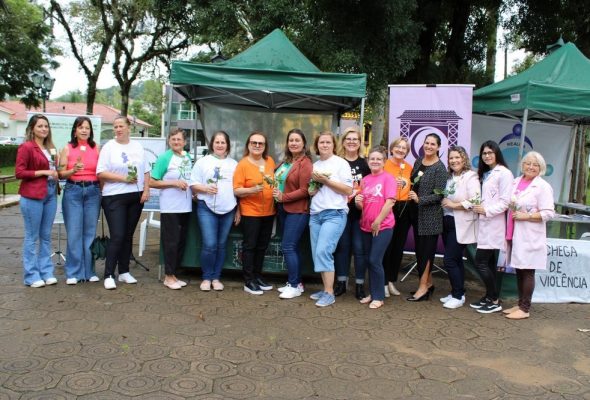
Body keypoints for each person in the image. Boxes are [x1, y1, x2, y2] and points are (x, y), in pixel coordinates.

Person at [96, 115, 150, 290]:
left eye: (121, 126)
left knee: (128, 235)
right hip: (114, 196)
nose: (118, 129)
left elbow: (146, 170)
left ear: (129, 128)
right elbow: (101, 173)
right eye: (115, 126)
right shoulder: (108, 147)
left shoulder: (138, 146)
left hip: (136, 197)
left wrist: (146, 190)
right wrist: (123, 178)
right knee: (118, 235)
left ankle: (124, 271)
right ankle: (109, 274)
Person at [504, 152, 554, 319]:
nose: (531, 167)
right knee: (519, 269)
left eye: (535, 164)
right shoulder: (516, 181)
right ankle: (520, 304)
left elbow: (548, 212)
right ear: (522, 164)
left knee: (527, 271)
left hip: (530, 235)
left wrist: (528, 216)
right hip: (514, 232)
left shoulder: (542, 186)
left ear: (541, 168)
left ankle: (525, 309)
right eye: (528, 163)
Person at [308, 131, 353, 307]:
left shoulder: (341, 163)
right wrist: (312, 189)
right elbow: (313, 190)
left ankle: (329, 293)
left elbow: (348, 190)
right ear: (317, 146)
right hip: (315, 214)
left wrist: (325, 181)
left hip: (334, 213)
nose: (325, 145)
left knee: (323, 251)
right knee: (317, 254)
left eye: (328, 142)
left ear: (334, 145)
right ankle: (325, 288)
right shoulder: (315, 165)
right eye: (321, 142)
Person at [191, 130, 239, 291]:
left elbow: (238, 188)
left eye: (223, 142)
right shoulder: (202, 162)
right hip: (206, 208)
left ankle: (216, 277)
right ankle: (206, 277)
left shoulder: (234, 164)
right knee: (209, 244)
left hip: (229, 209)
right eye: (217, 142)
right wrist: (205, 188)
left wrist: (238, 210)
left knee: (221, 244)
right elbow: (193, 184)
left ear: (227, 145)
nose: (220, 145)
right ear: (212, 144)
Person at [15, 115, 59, 288]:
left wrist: (57, 172)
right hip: (32, 195)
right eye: (40, 126)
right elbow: (19, 173)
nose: (44, 129)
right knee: (32, 236)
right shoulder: (26, 147)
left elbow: (54, 169)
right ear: (32, 128)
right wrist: (43, 172)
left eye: (46, 126)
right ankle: (31, 275)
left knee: (46, 236)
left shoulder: (51, 148)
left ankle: (46, 272)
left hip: (50, 193)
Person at [470, 140, 514, 313]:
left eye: (490, 152)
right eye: (484, 153)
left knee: (480, 262)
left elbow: (505, 202)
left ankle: (495, 300)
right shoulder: (486, 173)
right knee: (487, 263)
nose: (487, 156)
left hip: (494, 224)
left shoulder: (504, 173)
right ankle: (489, 296)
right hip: (484, 223)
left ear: (497, 154)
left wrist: (486, 210)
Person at [58, 116, 101, 284]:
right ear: (75, 131)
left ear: (91, 131)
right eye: (81, 127)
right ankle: (73, 273)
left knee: (90, 233)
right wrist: (73, 170)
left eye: (87, 128)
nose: (84, 130)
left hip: (93, 191)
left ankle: (89, 272)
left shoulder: (96, 148)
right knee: (74, 233)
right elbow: (60, 174)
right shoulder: (67, 148)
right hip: (73, 191)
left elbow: (102, 171)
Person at [233, 131, 276, 295]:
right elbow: (236, 190)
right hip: (251, 212)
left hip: (269, 211)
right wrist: (252, 190)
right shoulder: (243, 164)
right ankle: (248, 280)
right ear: (248, 145)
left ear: (265, 146)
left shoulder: (269, 161)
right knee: (250, 246)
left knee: (262, 246)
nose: (257, 146)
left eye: (260, 143)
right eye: (254, 143)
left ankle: (257, 276)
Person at [272, 129, 313, 299]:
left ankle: (294, 285)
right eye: (291, 140)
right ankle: (296, 283)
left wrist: (284, 197)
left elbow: (305, 190)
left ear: (303, 144)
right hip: (283, 209)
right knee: (292, 246)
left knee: (288, 246)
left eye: (297, 140)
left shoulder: (305, 163)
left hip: (298, 210)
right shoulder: (286, 161)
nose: (293, 143)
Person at [150, 129, 193, 290]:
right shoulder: (164, 158)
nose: (176, 142)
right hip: (170, 207)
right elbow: (152, 182)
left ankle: (174, 275)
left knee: (180, 242)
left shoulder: (187, 157)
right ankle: (168, 276)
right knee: (171, 242)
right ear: (169, 141)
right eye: (173, 139)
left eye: (179, 139)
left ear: (185, 142)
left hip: (185, 206)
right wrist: (174, 183)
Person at [407, 133, 447, 301]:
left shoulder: (440, 168)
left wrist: (420, 199)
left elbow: (440, 195)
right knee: (420, 252)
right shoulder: (418, 161)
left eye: (433, 144)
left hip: (431, 218)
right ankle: (428, 284)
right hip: (417, 216)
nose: (429, 146)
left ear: (438, 147)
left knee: (426, 253)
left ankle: (423, 288)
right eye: (427, 143)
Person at [354, 146, 396, 309]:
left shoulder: (388, 178)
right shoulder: (365, 180)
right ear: (368, 161)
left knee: (374, 260)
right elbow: (362, 205)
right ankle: (373, 293)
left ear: (384, 162)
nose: (375, 161)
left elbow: (390, 202)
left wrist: (378, 221)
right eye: (372, 159)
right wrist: (358, 203)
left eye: (379, 159)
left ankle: (379, 297)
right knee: (369, 260)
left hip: (383, 226)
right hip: (366, 227)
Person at [439, 146, 480, 309]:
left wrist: (454, 205)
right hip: (447, 221)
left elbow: (475, 200)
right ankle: (458, 291)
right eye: (451, 158)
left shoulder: (471, 176)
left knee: (449, 259)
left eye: (457, 157)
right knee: (456, 260)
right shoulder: (449, 177)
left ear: (464, 159)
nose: (454, 160)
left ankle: (458, 296)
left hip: (461, 223)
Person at [333, 127, 370, 299]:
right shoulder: (337, 162)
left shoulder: (365, 164)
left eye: (355, 139)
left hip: (360, 214)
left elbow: (370, 188)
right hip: (341, 212)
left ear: (360, 143)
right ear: (343, 141)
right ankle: (341, 282)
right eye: (348, 138)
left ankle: (360, 285)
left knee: (359, 249)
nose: (352, 142)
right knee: (342, 247)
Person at [383, 137, 413, 297]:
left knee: (398, 247)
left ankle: (391, 280)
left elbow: (412, 187)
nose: (400, 150)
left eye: (404, 148)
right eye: (398, 147)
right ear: (392, 148)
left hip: (404, 209)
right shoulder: (384, 165)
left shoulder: (409, 167)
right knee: (386, 246)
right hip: (388, 207)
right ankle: (382, 282)